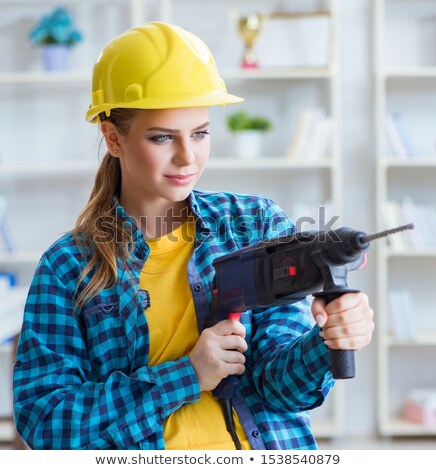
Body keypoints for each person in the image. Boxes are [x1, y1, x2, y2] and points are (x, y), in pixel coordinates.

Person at [13, 21, 374, 450]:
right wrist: (186, 375)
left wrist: (326, 342)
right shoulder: (70, 265)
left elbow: (283, 392)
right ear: (113, 138)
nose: (188, 157)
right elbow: (46, 423)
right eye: (163, 137)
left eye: (200, 133)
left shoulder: (254, 224)